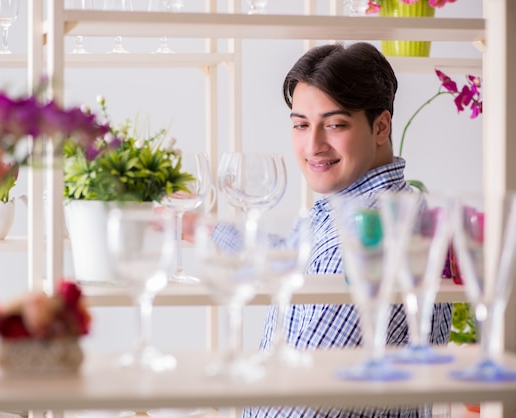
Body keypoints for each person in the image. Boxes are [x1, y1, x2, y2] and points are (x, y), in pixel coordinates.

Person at [173, 41, 452, 418]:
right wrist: (197, 226)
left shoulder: (368, 234)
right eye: (301, 125)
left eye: (334, 124)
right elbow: (290, 256)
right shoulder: (372, 208)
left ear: (381, 126)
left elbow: (307, 406)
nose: (313, 145)